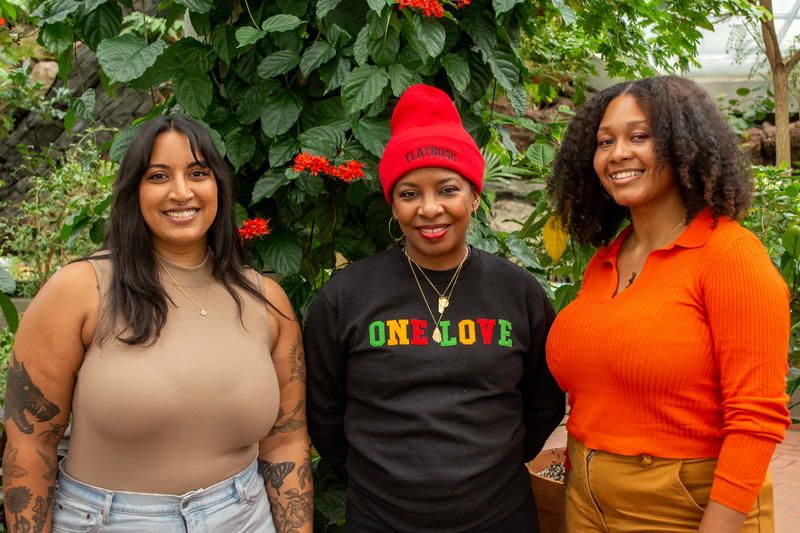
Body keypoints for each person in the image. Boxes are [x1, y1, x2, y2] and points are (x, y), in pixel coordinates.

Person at [3, 115, 312, 533]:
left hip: (244, 516)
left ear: (218, 186)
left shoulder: (267, 302)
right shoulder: (79, 291)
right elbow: (29, 441)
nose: (181, 191)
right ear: (135, 191)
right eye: (159, 175)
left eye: (198, 173)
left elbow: (285, 441)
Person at [304, 84, 565, 532]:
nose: (430, 209)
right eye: (410, 194)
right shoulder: (345, 297)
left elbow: (544, 403)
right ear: (392, 202)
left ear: (474, 197)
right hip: (381, 520)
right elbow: (324, 412)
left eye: (447, 189)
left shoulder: (518, 292)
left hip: (499, 517)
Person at [546, 76, 790, 532]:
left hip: (682, 508)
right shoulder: (605, 261)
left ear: (683, 145)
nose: (618, 153)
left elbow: (756, 418)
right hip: (585, 500)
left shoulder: (730, 257)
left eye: (639, 136)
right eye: (605, 141)